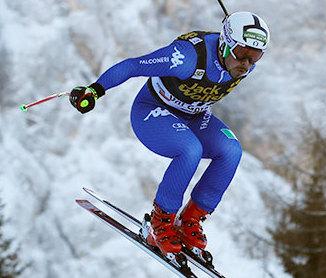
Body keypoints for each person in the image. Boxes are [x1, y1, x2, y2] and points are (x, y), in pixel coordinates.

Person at [69, 11, 270, 256]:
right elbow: (135, 65)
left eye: (255, 57)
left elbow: (234, 66)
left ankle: (189, 221)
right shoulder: (186, 58)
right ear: (226, 44)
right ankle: (160, 222)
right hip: (152, 112)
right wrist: (94, 90)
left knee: (231, 150)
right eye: (242, 54)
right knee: (190, 150)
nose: (246, 64)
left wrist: (243, 54)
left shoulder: (242, 63)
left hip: (194, 116)